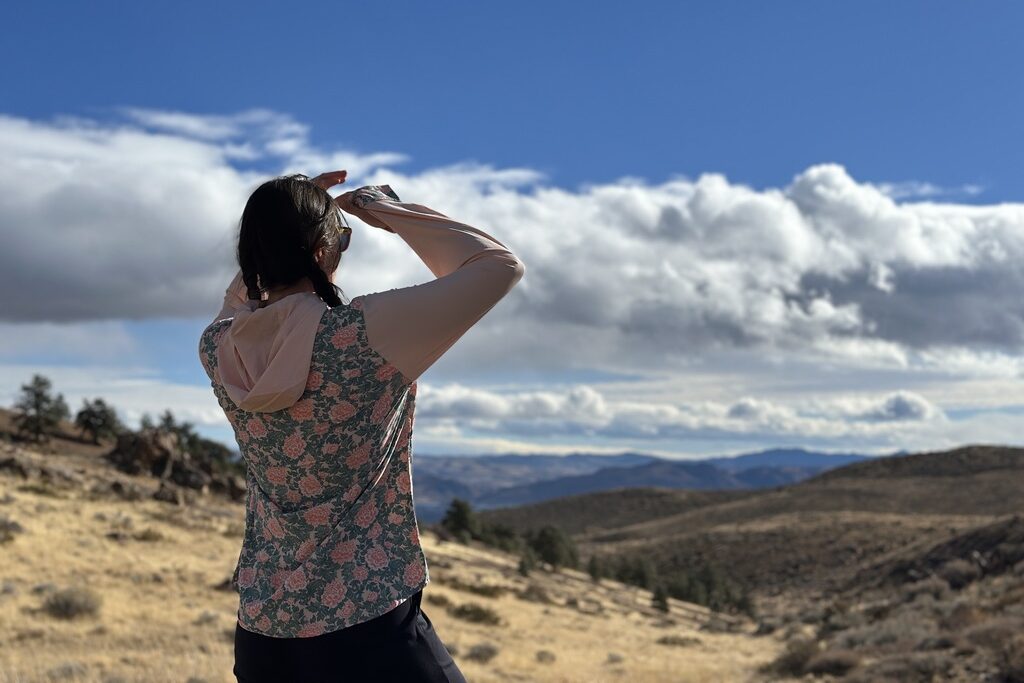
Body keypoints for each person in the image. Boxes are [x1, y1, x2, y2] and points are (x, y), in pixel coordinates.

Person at [197, 169, 525, 682]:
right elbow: (497, 266)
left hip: (264, 631)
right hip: (367, 626)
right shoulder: (359, 338)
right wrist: (379, 208)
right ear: (322, 251)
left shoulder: (218, 349)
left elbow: (239, 302)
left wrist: (286, 230)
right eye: (340, 243)